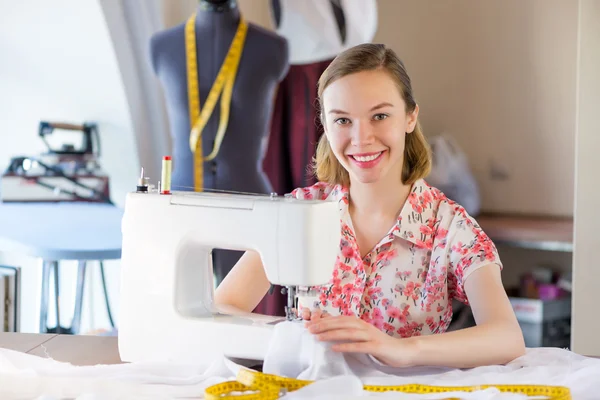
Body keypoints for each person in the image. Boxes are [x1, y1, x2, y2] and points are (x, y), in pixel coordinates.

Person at [215, 43, 526, 369]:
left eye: (379, 116)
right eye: (343, 120)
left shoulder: (450, 229)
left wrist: (401, 349)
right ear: (325, 123)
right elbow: (223, 308)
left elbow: (507, 337)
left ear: (410, 116)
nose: (361, 138)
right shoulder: (299, 214)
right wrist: (292, 335)